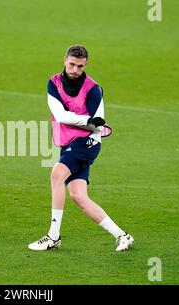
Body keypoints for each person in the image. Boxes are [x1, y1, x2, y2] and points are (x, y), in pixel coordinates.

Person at [28, 45, 134, 252]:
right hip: (68, 141)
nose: (75, 69)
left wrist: (92, 122)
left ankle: (53, 236)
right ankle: (122, 235)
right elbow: (61, 115)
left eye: (80, 66)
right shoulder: (54, 83)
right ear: (64, 60)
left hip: (88, 142)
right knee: (79, 196)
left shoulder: (93, 89)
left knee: (56, 175)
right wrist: (88, 119)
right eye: (72, 64)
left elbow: (99, 125)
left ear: (86, 65)